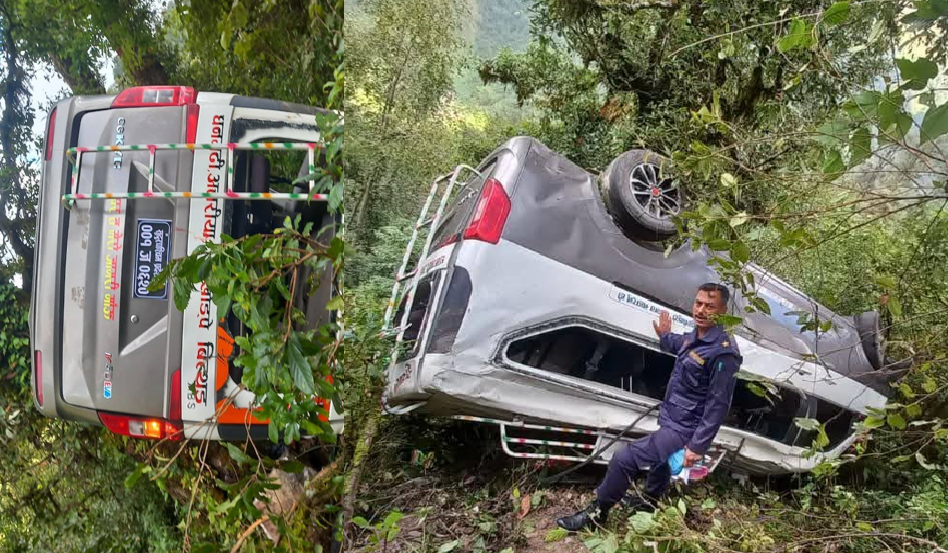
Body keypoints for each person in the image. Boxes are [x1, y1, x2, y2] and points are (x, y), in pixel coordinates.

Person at [557, 283, 743, 532]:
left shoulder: (724, 353)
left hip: (685, 428)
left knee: (624, 459)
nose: (700, 310)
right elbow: (683, 346)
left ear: (722, 311)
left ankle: (597, 513)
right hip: (673, 415)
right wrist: (665, 337)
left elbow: (718, 405)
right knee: (661, 462)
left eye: (709, 306)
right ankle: (648, 503)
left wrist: (697, 446)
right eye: (698, 303)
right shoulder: (699, 334)